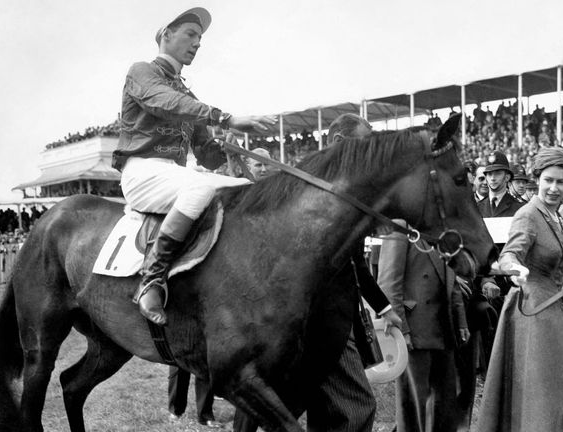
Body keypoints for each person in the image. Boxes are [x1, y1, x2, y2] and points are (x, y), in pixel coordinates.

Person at [232, 113, 403, 432]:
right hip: (315, 321)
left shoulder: (343, 191)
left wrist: (384, 307)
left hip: (327, 320)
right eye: (363, 145)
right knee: (355, 408)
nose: (370, 155)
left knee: (322, 408)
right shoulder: (311, 188)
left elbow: (356, 263)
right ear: (340, 143)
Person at [114, 7, 277, 325]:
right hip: (142, 173)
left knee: (251, 191)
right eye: (190, 34)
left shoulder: (187, 92)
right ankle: (152, 278)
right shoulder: (142, 72)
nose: (197, 43)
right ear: (166, 35)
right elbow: (165, 102)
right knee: (200, 185)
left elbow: (206, 153)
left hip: (174, 174)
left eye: (200, 38)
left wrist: (231, 153)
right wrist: (226, 118)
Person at [478, 147, 563, 432]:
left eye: (561, 182)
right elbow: (509, 254)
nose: (554, 188)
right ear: (537, 179)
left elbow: (555, 265)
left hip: (552, 310)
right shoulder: (528, 214)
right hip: (532, 313)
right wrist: (515, 269)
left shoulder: (557, 217)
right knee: (543, 395)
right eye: (548, 180)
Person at [378, 220, 469, 432]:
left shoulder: (444, 226)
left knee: (445, 401)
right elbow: (388, 283)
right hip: (414, 328)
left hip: (444, 328)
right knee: (413, 402)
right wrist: (402, 331)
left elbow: (451, 278)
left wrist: (460, 319)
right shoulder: (401, 227)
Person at [478, 151, 520, 217]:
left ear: (507, 177)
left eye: (498, 173)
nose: (492, 178)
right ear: (486, 178)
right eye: (489, 174)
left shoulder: (519, 208)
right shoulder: (477, 208)